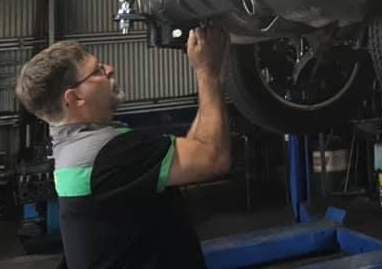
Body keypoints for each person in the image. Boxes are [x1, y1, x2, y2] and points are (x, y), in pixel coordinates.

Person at [15, 25, 231, 269]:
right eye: (97, 71)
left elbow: (195, 151)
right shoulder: (109, 153)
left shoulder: (72, 146)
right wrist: (206, 72)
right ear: (74, 98)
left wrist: (211, 78)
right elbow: (213, 158)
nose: (109, 69)